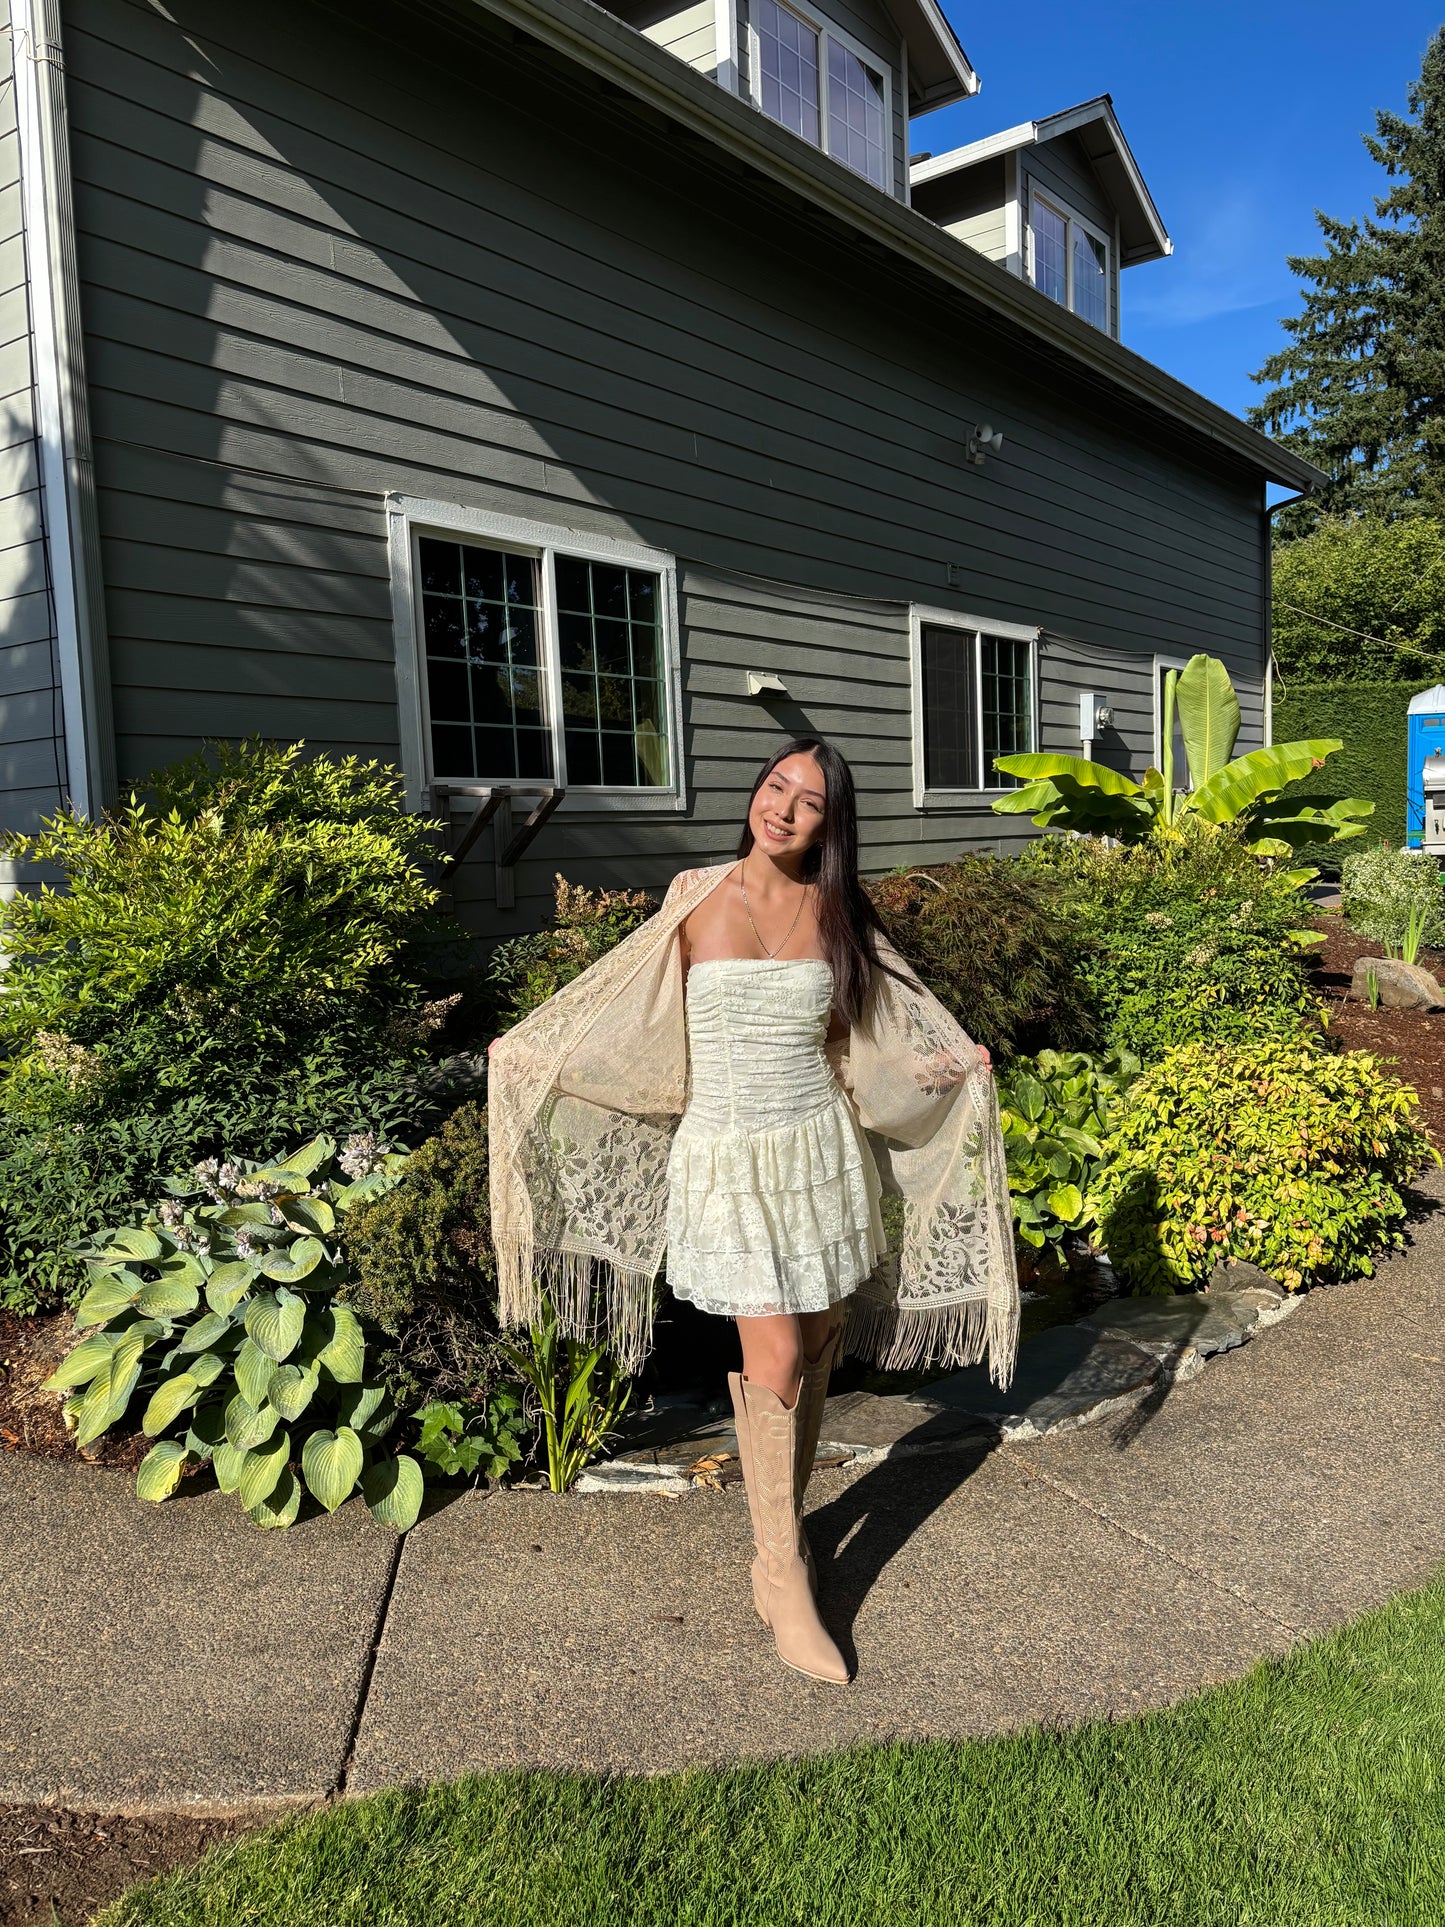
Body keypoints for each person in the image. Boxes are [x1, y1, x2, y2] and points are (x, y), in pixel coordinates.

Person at [488, 738, 1018, 1686]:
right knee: (771, 1350)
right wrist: (537, 1052)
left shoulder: (839, 911)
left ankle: (787, 1532)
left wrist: (949, 1066)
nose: (782, 808)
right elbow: (628, 1019)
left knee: (815, 1340)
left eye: (807, 801)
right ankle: (782, 1571)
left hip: (816, 1154)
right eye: (776, 786)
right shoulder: (693, 895)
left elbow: (867, 1046)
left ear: (828, 824)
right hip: (727, 1158)